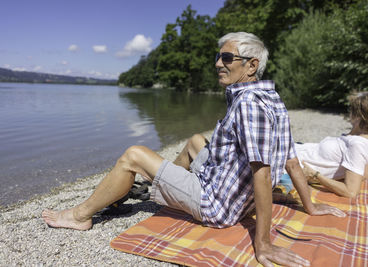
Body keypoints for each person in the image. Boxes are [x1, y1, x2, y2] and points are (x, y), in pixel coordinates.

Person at [42, 32, 345, 267]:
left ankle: (80, 216)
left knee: (134, 154)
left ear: (251, 65)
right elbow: (291, 159)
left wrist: (263, 243)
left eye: (227, 58)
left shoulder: (249, 105)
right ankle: (150, 185)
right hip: (229, 188)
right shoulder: (271, 98)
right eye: (219, 56)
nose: (218, 63)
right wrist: (311, 206)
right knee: (195, 141)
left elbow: (263, 174)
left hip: (215, 203)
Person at [276, 91, 368, 198]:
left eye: (351, 109)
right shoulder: (361, 137)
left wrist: (315, 175)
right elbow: (363, 174)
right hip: (293, 151)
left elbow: (351, 191)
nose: (349, 112)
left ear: (358, 117)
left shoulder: (358, 145)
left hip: (287, 162)